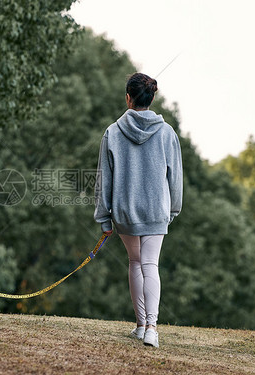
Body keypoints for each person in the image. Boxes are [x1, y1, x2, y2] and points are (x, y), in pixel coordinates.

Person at [94, 72, 183, 348]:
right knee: (150, 264)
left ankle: (142, 325)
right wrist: (174, 209)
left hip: (126, 212)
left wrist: (103, 217)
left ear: (128, 98)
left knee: (135, 263)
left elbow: (103, 178)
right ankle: (152, 329)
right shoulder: (167, 133)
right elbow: (175, 177)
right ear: (152, 98)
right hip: (157, 210)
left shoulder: (112, 132)